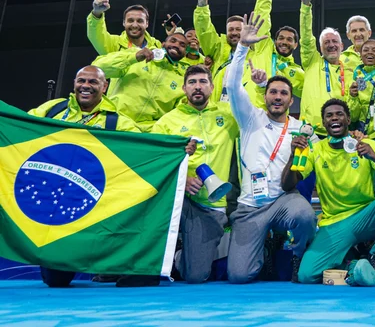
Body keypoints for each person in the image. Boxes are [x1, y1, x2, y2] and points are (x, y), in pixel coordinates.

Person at [27, 66, 163, 288]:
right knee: (56, 281)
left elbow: (146, 147)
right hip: (57, 203)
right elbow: (21, 126)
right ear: (74, 83)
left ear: (105, 86)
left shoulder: (117, 122)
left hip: (99, 201)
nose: (86, 86)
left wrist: (177, 148)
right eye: (82, 80)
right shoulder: (53, 110)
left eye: (93, 82)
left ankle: (129, 266)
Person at [224, 13, 317, 284]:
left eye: (284, 93)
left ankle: (299, 253)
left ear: (291, 99)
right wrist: (242, 47)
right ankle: (264, 247)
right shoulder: (250, 118)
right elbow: (231, 84)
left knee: (305, 215)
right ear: (264, 95)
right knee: (240, 276)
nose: (278, 97)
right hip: (250, 206)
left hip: (282, 200)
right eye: (273, 92)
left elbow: (327, 151)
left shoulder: (301, 129)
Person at [282, 99, 375, 284]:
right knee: (306, 275)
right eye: (329, 115)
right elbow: (287, 185)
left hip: (365, 216)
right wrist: (293, 155)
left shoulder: (366, 145)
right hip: (334, 224)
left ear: (348, 119)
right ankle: (354, 264)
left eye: (339, 114)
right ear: (324, 123)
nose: (335, 118)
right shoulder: (315, 150)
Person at [152, 65, 238, 284]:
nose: (197, 87)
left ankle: (181, 254)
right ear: (183, 88)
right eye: (192, 82)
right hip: (176, 199)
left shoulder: (228, 116)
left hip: (210, 205)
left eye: (202, 82)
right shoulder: (166, 122)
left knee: (196, 276)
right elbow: (155, 161)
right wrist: (182, 179)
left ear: (211, 87)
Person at [193, 0, 281, 105]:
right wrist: (202, 4)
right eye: (231, 30)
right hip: (220, 111)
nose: (234, 33)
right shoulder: (218, 49)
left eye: (238, 29)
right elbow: (204, 31)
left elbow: (262, 14)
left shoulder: (259, 48)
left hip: (252, 110)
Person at [297, 0, 358, 136]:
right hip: (312, 132)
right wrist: (305, 6)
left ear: (342, 46)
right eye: (326, 42)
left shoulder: (352, 70)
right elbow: (305, 37)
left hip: (342, 131)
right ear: (320, 48)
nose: (331, 45)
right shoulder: (312, 61)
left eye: (334, 41)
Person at [91, 32, 189, 132]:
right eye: (173, 41)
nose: (176, 45)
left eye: (182, 45)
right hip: (116, 122)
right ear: (162, 44)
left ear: (185, 53)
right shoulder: (136, 54)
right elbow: (97, 69)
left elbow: (179, 113)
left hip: (147, 133)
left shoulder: (183, 79)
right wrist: (134, 57)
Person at [349, 39, 375, 150]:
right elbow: (353, 116)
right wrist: (353, 97)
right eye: (366, 50)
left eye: (374, 50)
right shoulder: (357, 76)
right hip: (362, 129)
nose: (370, 53)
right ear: (360, 55)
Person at [87, 0, 162, 56]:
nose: (135, 25)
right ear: (124, 23)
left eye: (140, 21)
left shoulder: (156, 45)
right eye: (130, 21)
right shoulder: (114, 44)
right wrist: (96, 13)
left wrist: (172, 35)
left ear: (147, 24)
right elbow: (96, 36)